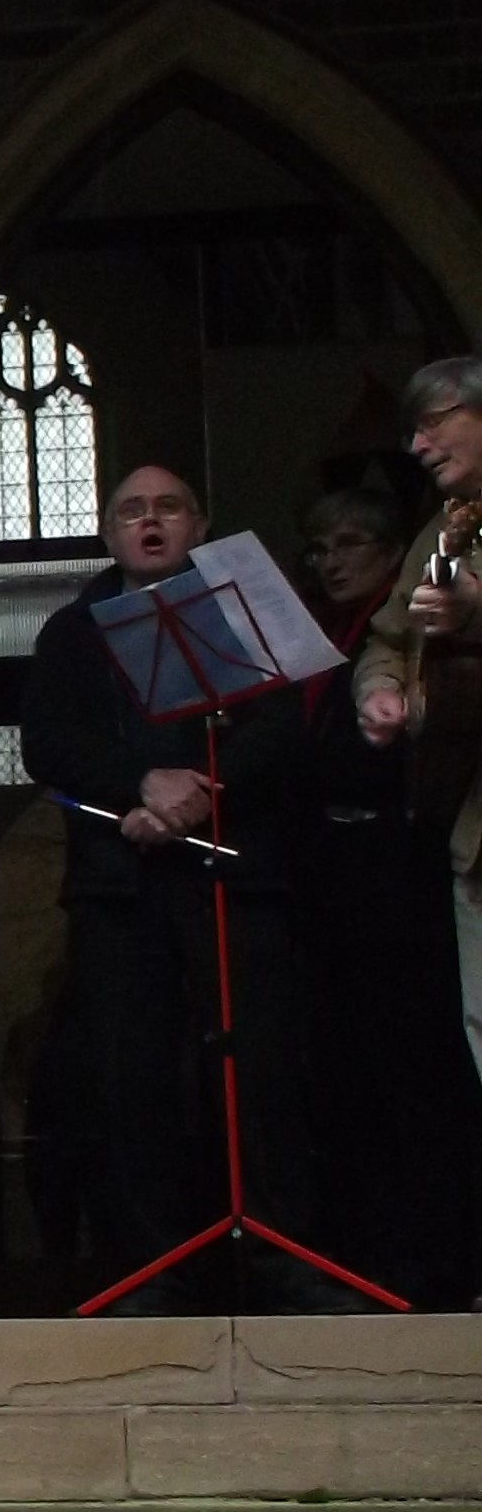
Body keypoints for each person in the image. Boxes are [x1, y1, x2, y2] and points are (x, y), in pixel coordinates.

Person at [18, 460, 325, 1301]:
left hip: (236, 877)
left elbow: (281, 729)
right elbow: (47, 745)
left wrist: (197, 795)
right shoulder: (71, 633)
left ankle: (281, 1261)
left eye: (169, 508)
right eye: (131, 512)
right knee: (133, 1078)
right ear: (108, 533)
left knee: (261, 1073)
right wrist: (142, 785)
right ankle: (154, 1270)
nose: (149, 523)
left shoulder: (244, 613)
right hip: (122, 884)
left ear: (200, 523)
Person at [294, 468, 480, 1307]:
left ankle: (439, 1262)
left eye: (351, 544)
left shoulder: (403, 635)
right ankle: (372, 1260)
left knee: (420, 1071)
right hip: (331, 880)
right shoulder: (324, 636)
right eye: (320, 547)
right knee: (351, 1078)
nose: (332, 561)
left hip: (398, 870)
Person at [354, 357, 482, 1090]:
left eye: (433, 425)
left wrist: (474, 610)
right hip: (471, 824)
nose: (417, 446)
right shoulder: (444, 529)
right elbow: (386, 638)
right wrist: (382, 692)